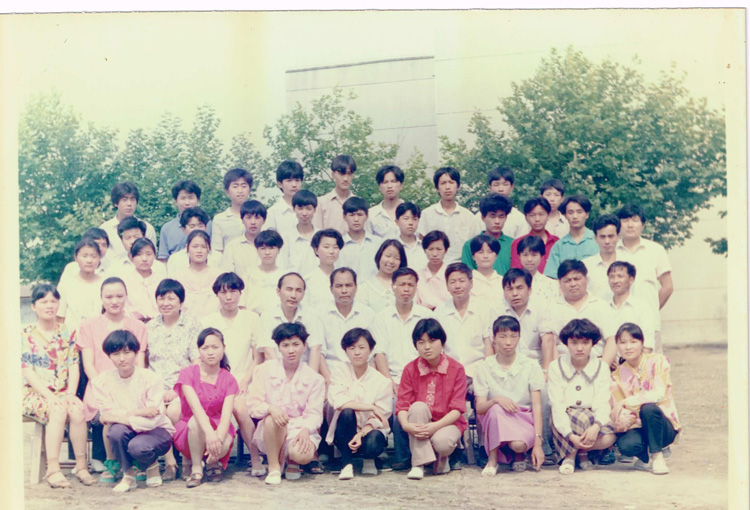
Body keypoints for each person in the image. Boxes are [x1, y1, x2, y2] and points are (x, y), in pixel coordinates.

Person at [22, 284, 96, 488]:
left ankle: (81, 466)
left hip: (63, 392)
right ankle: (53, 469)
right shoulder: (26, 334)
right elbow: (27, 371)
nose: (49, 305)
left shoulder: (68, 332)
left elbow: (73, 365)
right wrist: (50, 397)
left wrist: (71, 393)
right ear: (34, 306)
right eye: (44, 301)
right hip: (34, 393)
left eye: (53, 301)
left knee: (77, 409)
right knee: (58, 408)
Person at [76, 277, 148, 482]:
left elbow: (140, 364)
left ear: (126, 297)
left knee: (136, 408)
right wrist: (105, 388)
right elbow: (89, 365)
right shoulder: (88, 326)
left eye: (119, 296)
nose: (114, 301)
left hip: (132, 384)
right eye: (108, 297)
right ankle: (112, 461)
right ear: (101, 298)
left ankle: (135, 461)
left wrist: (132, 388)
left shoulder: (138, 326)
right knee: (106, 413)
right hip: (100, 387)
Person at [91, 330, 174, 492]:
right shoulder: (102, 381)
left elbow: (154, 417)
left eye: (127, 352)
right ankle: (128, 474)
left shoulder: (151, 378)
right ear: (109, 356)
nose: (122, 358)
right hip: (129, 428)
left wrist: (117, 416)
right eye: (116, 354)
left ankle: (152, 465)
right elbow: (107, 414)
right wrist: (139, 412)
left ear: (136, 353)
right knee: (116, 432)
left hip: (155, 430)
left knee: (137, 446)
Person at [201, 273, 265, 475]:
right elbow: (205, 357)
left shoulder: (252, 318)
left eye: (233, 291)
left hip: (245, 382)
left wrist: (244, 381)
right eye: (223, 292)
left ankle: (255, 458)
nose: (228, 297)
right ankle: (210, 460)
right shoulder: (207, 321)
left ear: (240, 293)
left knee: (240, 408)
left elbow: (258, 357)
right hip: (217, 381)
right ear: (217, 295)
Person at [246, 323, 326, 485]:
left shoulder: (315, 379)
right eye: (285, 345)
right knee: (272, 418)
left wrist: (306, 430)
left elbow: (315, 413)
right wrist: (270, 408)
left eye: (296, 344)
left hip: (299, 427)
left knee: (303, 455)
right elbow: (253, 404)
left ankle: (293, 461)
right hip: (272, 429)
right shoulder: (264, 370)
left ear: (304, 346)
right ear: (278, 347)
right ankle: (274, 466)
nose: (291, 350)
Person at [371, 267, 433, 469]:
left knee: (412, 407)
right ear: (393, 287)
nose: (406, 289)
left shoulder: (425, 316)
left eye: (410, 285)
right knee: (397, 406)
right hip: (390, 379)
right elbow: (379, 353)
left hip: (422, 378)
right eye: (402, 284)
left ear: (416, 288)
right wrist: (389, 381)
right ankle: (402, 457)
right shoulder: (382, 318)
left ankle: (418, 455)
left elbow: (432, 352)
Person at [394, 318, 467, 480]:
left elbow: (457, 409)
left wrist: (435, 426)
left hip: (447, 423)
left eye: (432, 341)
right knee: (417, 407)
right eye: (421, 342)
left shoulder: (456, 369)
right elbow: (402, 404)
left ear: (442, 342)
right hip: (420, 422)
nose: (427, 347)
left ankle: (441, 455)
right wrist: (406, 425)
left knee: (442, 443)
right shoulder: (410, 369)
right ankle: (418, 465)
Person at [474, 316, 545, 476]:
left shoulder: (531, 365)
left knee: (518, 445)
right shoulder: (484, 367)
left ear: (519, 337)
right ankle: (492, 459)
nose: (508, 342)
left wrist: (538, 443)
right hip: (496, 418)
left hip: (522, 418)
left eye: (513, 336)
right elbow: (480, 408)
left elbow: (537, 406)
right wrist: (497, 400)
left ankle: (516, 452)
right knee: (495, 409)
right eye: (502, 336)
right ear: (494, 339)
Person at [145, 278, 201, 481]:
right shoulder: (149, 327)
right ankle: (170, 463)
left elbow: (196, 362)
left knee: (176, 412)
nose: (166, 303)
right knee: (157, 412)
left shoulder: (192, 325)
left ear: (181, 301)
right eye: (161, 298)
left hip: (184, 386)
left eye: (171, 298)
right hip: (155, 387)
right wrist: (155, 390)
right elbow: (145, 362)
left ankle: (187, 459)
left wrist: (178, 389)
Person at [548, 319, 616, 474]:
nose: (580, 348)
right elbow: (557, 404)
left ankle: (580, 451)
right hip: (566, 417)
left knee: (610, 436)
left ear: (593, 343)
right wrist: (571, 436)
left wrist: (596, 426)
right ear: (566, 343)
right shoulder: (556, 366)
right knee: (577, 417)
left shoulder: (601, 367)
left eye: (585, 343)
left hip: (592, 417)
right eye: (574, 343)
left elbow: (602, 401)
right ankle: (570, 457)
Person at [610, 323, 681, 475]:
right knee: (626, 445)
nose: (628, 347)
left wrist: (628, 402)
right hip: (637, 425)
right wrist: (623, 417)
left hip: (662, 425)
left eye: (633, 341)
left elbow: (657, 394)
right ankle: (644, 458)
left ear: (642, 343)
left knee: (648, 408)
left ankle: (657, 456)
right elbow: (620, 410)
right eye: (622, 342)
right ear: (617, 346)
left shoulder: (658, 361)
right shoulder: (616, 375)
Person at [173, 328, 240, 487]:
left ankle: (212, 463)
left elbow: (226, 417)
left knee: (223, 442)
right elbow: (195, 408)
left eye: (215, 347)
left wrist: (218, 439)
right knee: (195, 421)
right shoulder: (188, 373)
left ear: (223, 348)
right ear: (199, 351)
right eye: (205, 348)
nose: (210, 352)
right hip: (190, 430)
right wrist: (210, 434)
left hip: (218, 427)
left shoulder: (229, 379)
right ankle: (197, 467)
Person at [326, 328, 392, 480]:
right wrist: (370, 407)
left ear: (370, 349)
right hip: (344, 430)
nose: (357, 353)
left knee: (373, 440)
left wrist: (361, 434)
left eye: (361, 347)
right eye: (351, 348)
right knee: (347, 412)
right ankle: (346, 464)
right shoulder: (340, 371)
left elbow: (380, 418)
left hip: (368, 431)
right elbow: (338, 401)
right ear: (345, 351)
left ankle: (369, 459)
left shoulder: (381, 381)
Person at [540, 260, 618, 372]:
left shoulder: (601, 306)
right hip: (564, 368)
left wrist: (602, 368)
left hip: (597, 365)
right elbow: (550, 343)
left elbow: (612, 339)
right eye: (567, 280)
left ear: (586, 279)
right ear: (559, 283)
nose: (573, 284)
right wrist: (560, 370)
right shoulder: (551, 308)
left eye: (577, 279)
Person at [616, 203, 673, 353]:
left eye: (635, 220)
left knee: (651, 365)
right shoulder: (612, 251)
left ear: (643, 224)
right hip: (618, 323)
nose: (630, 225)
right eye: (625, 220)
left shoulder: (655, 250)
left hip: (648, 325)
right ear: (619, 224)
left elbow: (667, 286)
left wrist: (650, 310)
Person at [308, 267, 376, 386]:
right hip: (332, 373)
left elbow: (372, 353)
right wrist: (329, 379)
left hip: (361, 373)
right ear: (331, 289)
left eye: (348, 285)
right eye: (339, 286)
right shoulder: (319, 314)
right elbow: (319, 352)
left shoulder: (368, 314)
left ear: (356, 287)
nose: (344, 291)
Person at [433, 262, 493, 379]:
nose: (457, 286)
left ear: (471, 283)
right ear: (447, 286)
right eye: (452, 282)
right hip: (448, 374)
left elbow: (488, 345)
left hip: (478, 372)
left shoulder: (484, 308)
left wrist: (486, 374)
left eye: (461, 281)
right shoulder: (440, 311)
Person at [418, 166, 480, 264]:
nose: (447, 187)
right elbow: (422, 244)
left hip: (460, 267)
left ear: (458, 186)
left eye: (451, 182)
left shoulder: (468, 216)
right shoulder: (427, 214)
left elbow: (474, 246)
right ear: (437, 188)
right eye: (443, 183)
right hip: (433, 266)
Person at [254, 272, 312, 362]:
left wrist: (310, 371)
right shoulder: (267, 316)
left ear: (303, 294)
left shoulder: (311, 316)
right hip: (275, 367)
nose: (293, 295)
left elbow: (315, 350)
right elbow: (269, 352)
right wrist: (280, 370)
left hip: (303, 368)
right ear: (278, 291)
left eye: (298, 290)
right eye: (289, 289)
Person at [99, 182, 157, 262]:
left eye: (132, 199)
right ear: (115, 203)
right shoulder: (105, 229)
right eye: (124, 200)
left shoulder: (147, 228)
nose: (129, 204)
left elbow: (152, 257)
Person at [544, 195, 599, 279]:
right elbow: (551, 277)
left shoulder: (598, 240)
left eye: (579, 212)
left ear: (587, 214)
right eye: (570, 212)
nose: (575, 216)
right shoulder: (559, 246)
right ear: (565, 216)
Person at [608, 261, 658, 353]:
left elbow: (647, 345)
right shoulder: (603, 307)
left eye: (620, 276)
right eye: (611, 276)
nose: (615, 281)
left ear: (631, 280)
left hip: (636, 361)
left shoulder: (642, 308)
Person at [56, 238, 105, 332]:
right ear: (76, 258)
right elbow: (60, 317)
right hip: (71, 337)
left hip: (98, 336)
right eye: (84, 256)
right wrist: (64, 339)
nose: (89, 260)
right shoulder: (67, 284)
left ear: (99, 258)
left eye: (94, 256)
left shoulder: (105, 284)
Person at [170, 230, 221, 319]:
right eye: (195, 247)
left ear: (209, 249)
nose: (199, 251)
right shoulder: (177, 277)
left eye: (203, 247)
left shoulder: (219, 276)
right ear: (187, 248)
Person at [158, 179, 211, 262]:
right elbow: (163, 259)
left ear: (197, 200)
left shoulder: (209, 225)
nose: (187, 203)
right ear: (176, 201)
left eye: (191, 198)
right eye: (183, 198)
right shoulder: (167, 228)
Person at [461, 193, 514, 276]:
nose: (497, 221)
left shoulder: (513, 244)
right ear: (483, 217)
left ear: (506, 218)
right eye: (492, 216)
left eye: (501, 216)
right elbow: (467, 275)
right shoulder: (470, 245)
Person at [337, 196, 382, 280]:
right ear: (344, 216)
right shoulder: (338, 245)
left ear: (367, 215)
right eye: (351, 215)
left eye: (360, 214)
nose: (356, 219)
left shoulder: (378, 244)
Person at [166, 207, 222, 274]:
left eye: (200, 226)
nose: (196, 229)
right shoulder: (175, 259)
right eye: (192, 226)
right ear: (183, 229)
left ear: (206, 227)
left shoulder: (218, 257)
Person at [122, 238, 166, 322]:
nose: (144, 259)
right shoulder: (125, 282)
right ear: (131, 257)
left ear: (154, 256)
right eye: (139, 254)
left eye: (149, 254)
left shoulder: (162, 281)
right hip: (133, 324)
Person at [243, 229, 286, 314]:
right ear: (257, 250)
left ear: (279, 250)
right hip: (253, 318)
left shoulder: (285, 276)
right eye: (263, 248)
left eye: (271, 248)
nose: (267, 253)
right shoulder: (248, 274)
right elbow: (242, 303)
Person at [510, 197, 559, 272]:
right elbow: (516, 272)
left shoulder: (557, 242)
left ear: (548, 215)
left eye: (541, 214)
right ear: (526, 217)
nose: (537, 219)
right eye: (532, 215)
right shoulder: (518, 243)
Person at [357, 239, 407, 311]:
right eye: (388, 256)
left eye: (397, 258)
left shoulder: (405, 287)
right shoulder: (365, 287)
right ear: (379, 256)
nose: (391, 261)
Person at [313, 154, 357, 235]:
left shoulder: (358, 203)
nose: (345, 179)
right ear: (333, 174)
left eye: (349, 173)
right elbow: (317, 233)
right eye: (342, 174)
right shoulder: (321, 203)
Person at [211, 168, 253, 253]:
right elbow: (217, 252)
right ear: (227, 192)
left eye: (244, 186)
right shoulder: (219, 219)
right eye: (235, 186)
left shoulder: (259, 217)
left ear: (249, 190)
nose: (240, 191)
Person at [583, 214, 621, 303]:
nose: (607, 241)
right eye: (602, 237)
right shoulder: (586, 266)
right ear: (595, 238)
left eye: (611, 236)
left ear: (618, 237)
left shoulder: (629, 263)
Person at [221, 199, 265, 277]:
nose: (253, 222)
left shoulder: (272, 246)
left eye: (257, 218)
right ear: (242, 220)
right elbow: (227, 276)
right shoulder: (232, 247)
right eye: (248, 218)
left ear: (264, 220)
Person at [279, 189, 318, 275]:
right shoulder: (286, 237)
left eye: (308, 209)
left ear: (315, 210)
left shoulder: (321, 237)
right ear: (293, 209)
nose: (304, 213)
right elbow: (282, 265)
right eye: (300, 208)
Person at [302, 229, 344, 308]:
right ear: (316, 250)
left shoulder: (344, 278)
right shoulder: (307, 280)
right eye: (326, 247)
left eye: (335, 247)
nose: (331, 251)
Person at [264, 160, 304, 243]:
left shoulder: (311, 209)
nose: (294, 185)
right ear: (280, 184)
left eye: (297, 180)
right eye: (289, 180)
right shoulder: (272, 213)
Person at [484, 166, 529, 239]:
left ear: (512, 187)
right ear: (490, 187)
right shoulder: (480, 216)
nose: (500, 189)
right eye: (496, 185)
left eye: (505, 184)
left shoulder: (519, 218)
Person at [516, 236, 558, 307]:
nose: (529, 259)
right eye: (525, 255)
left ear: (542, 256)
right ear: (519, 256)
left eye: (534, 255)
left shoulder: (551, 284)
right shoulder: (513, 282)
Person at [416, 230, 451, 310]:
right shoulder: (417, 276)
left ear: (445, 250)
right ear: (424, 250)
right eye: (430, 249)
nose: (435, 254)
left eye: (439, 249)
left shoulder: (452, 275)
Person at [368, 165, 404, 240]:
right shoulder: (371, 214)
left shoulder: (411, 212)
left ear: (401, 185)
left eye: (393, 181)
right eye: (385, 182)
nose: (389, 186)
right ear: (379, 187)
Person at [468, 234, 503, 301]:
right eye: (480, 252)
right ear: (473, 256)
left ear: (496, 256)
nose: (485, 256)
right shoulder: (468, 281)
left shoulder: (503, 281)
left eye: (490, 252)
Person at [395, 202, 427, 270]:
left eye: (414, 219)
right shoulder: (393, 247)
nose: (410, 223)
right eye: (406, 219)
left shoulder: (425, 246)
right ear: (397, 222)